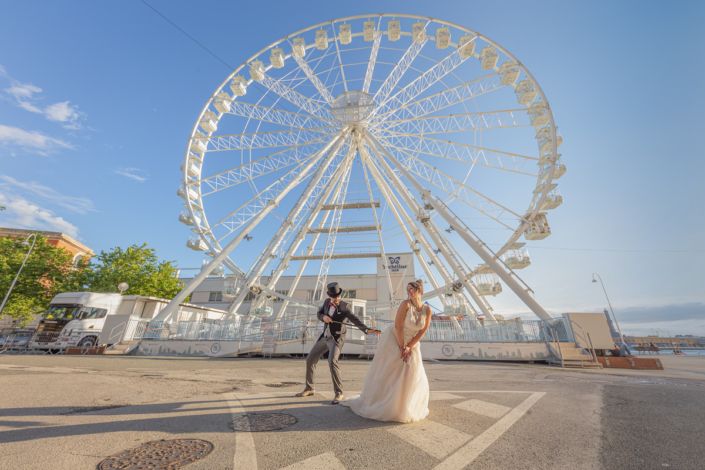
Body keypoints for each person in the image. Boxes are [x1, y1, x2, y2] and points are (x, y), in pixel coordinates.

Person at [341, 279, 432, 423]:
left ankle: (406, 406)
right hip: (396, 339)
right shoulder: (405, 304)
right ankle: (386, 403)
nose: (409, 292)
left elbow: (423, 330)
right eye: (407, 289)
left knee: (413, 374)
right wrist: (403, 347)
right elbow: (398, 327)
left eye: (412, 289)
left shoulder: (427, 309)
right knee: (390, 372)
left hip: (413, 344)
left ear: (419, 290)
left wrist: (410, 346)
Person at [295, 282, 381, 404]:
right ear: (329, 295)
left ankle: (339, 393)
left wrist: (367, 329)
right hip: (325, 336)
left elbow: (355, 320)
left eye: (337, 296)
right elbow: (319, 314)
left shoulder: (345, 307)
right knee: (310, 359)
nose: (335, 299)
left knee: (332, 361)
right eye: (333, 297)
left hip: (336, 338)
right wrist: (323, 317)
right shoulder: (326, 302)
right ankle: (309, 388)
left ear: (339, 295)